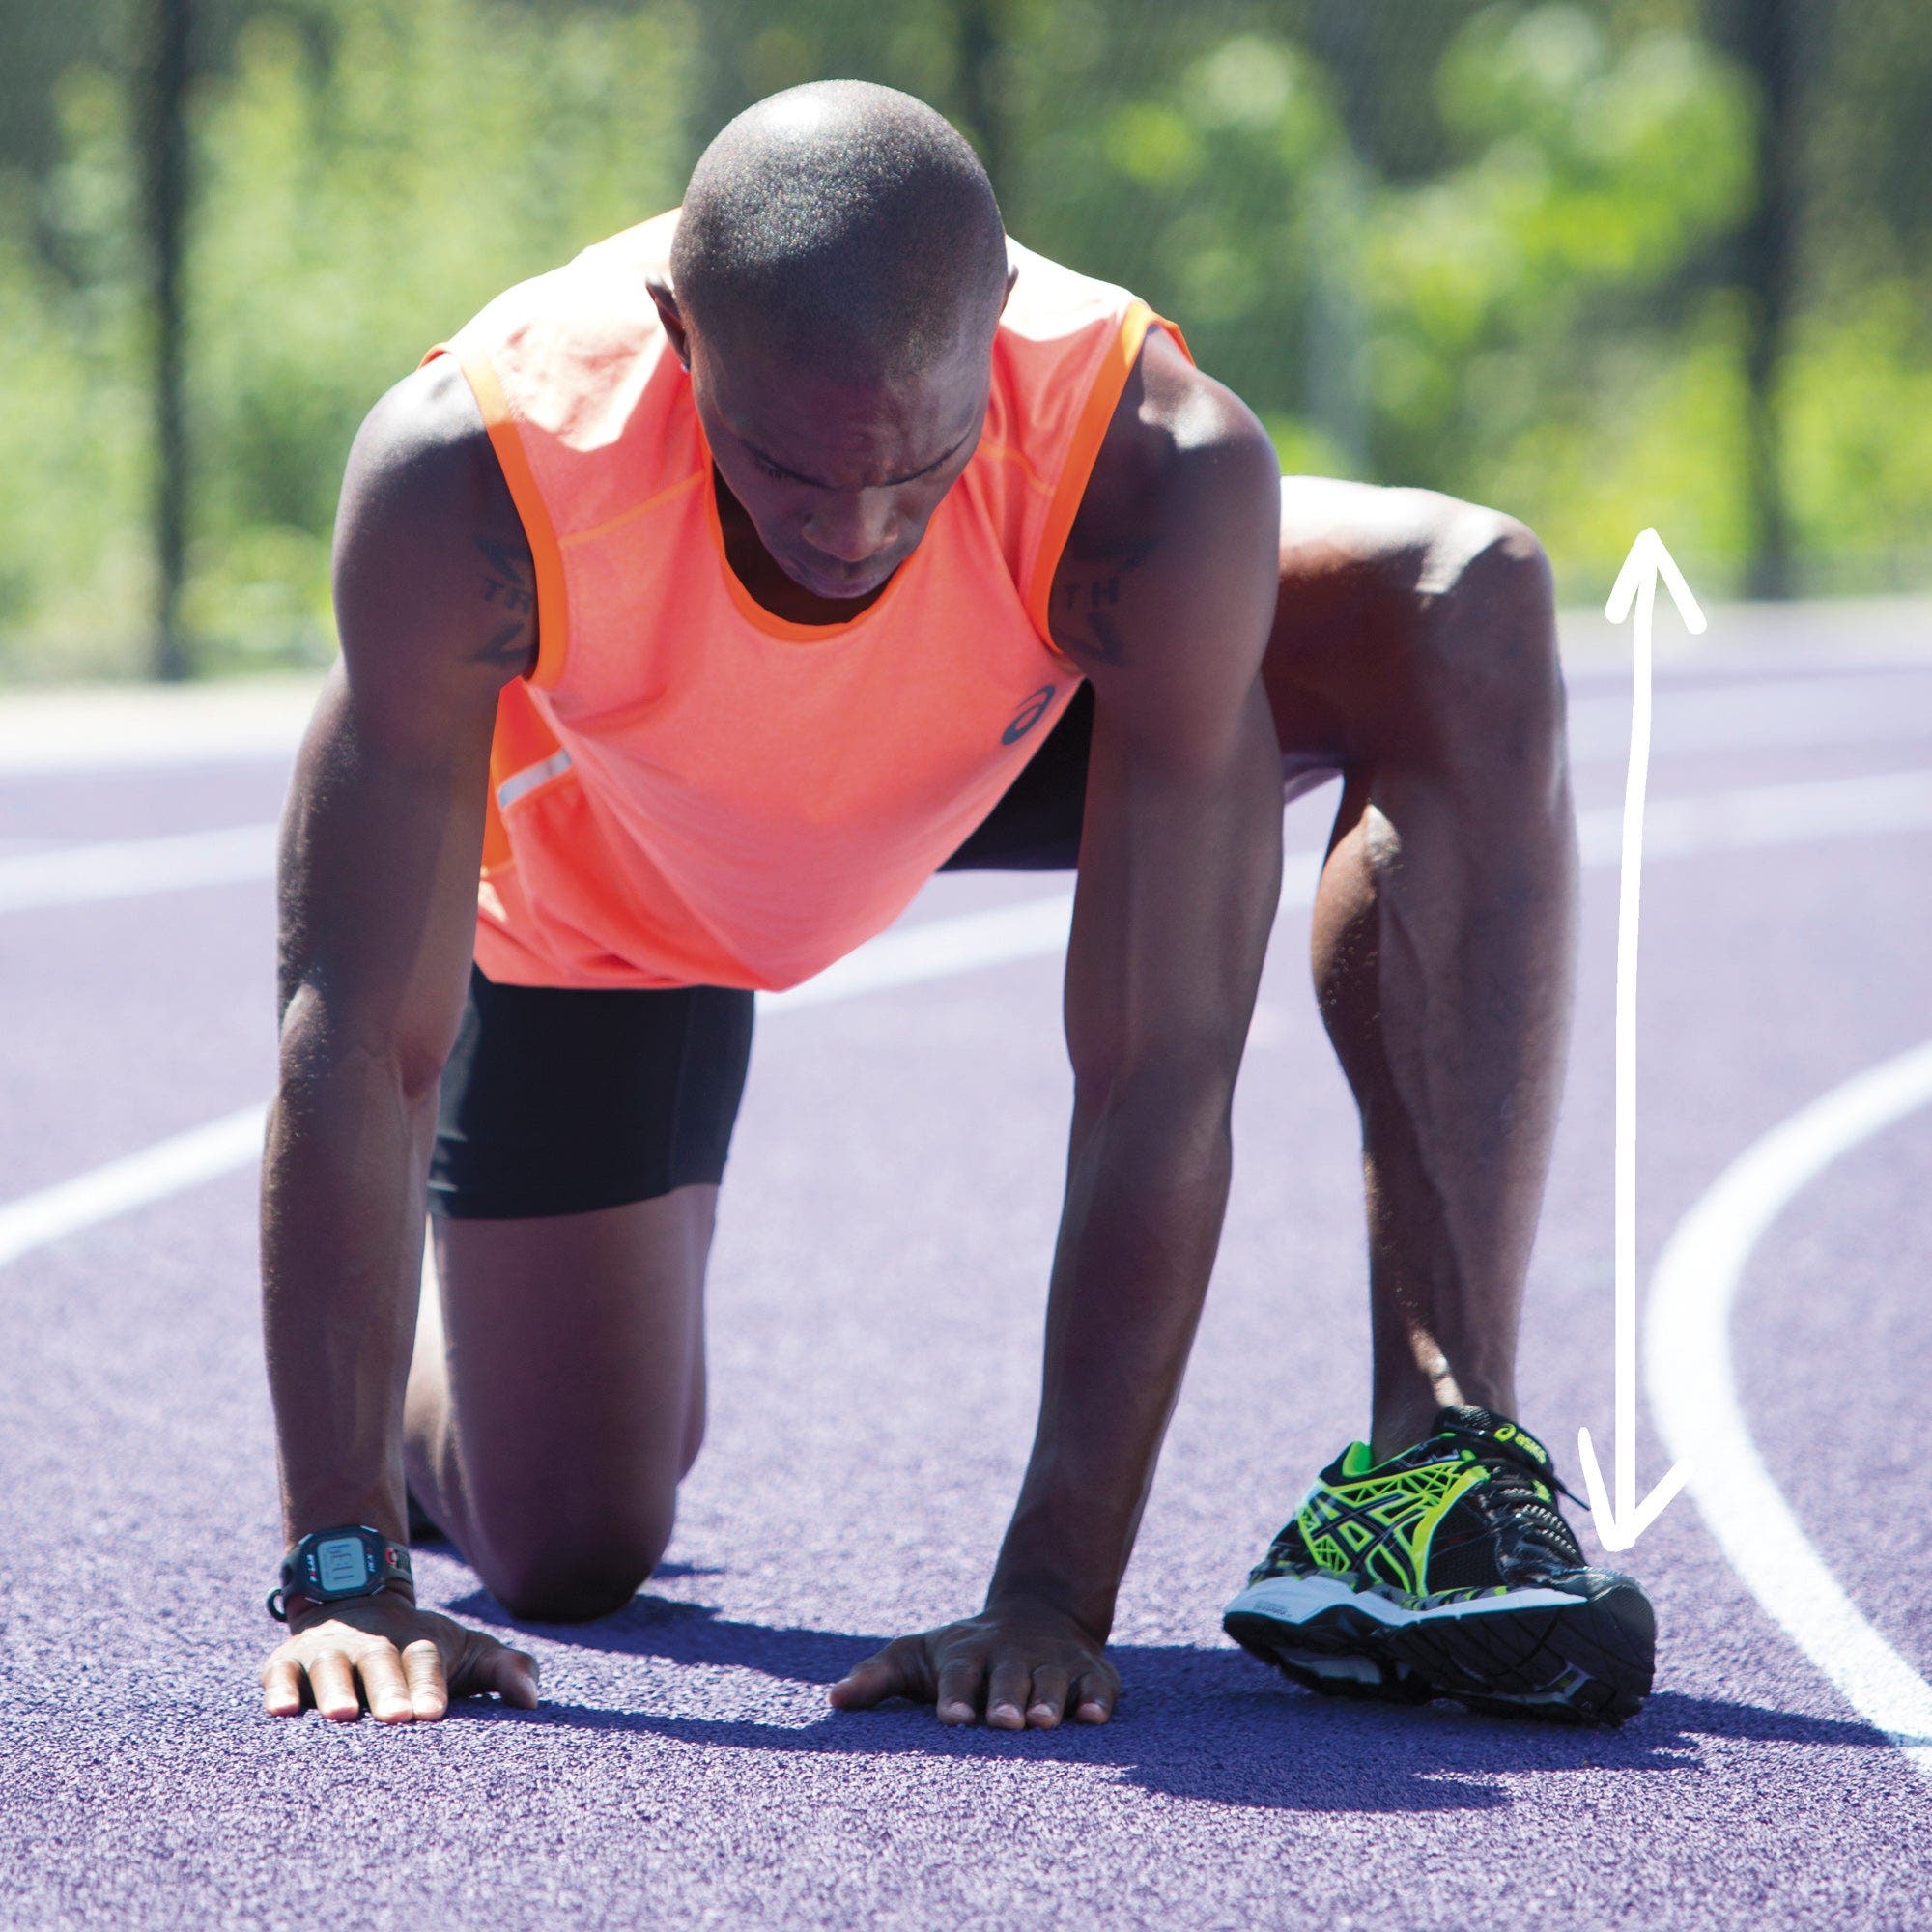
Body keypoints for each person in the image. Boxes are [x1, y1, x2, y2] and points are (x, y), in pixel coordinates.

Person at [257, 79, 1652, 1732]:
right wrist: (343, 1568)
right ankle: (445, 1423)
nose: (855, 531)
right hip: (617, 876)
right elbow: (358, 1042)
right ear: (677, 336)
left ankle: (1435, 1475)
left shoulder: (1149, 465)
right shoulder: (472, 479)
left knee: (1459, 592)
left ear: (994, 331)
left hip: (991, 741)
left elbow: (1160, 1062)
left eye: (917, 468)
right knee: (572, 1542)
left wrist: (1055, 1590)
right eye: (788, 469)